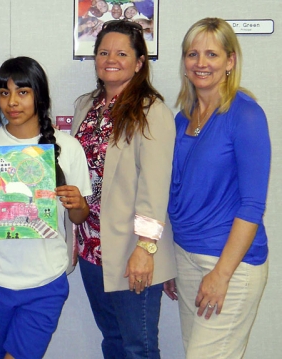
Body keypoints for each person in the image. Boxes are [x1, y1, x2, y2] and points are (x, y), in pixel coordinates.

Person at [0, 56, 92, 359]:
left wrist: (76, 203)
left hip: (46, 279)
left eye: (22, 92)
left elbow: (79, 215)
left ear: (39, 95)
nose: (12, 102)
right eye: (4, 93)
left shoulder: (68, 147)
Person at [165, 17, 270, 358]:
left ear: (230, 61)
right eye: (192, 54)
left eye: (211, 54)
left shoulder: (246, 115)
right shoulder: (182, 118)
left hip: (229, 266)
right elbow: (176, 193)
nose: (201, 63)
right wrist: (169, 259)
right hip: (185, 257)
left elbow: (252, 205)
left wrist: (221, 275)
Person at [71, 20, 176, 358]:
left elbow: (154, 187)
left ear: (139, 62)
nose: (110, 59)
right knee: (113, 341)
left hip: (132, 252)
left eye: (121, 53)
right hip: (92, 249)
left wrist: (145, 249)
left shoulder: (152, 111)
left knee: (138, 348)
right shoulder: (85, 106)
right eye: (103, 52)